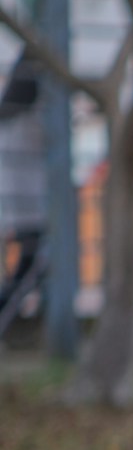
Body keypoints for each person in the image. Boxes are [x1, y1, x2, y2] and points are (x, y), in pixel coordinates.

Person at [0, 49, 47, 322]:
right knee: (33, 264)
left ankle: (27, 319)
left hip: (24, 198)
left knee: (31, 264)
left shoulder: (13, 111)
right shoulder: (27, 112)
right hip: (28, 198)